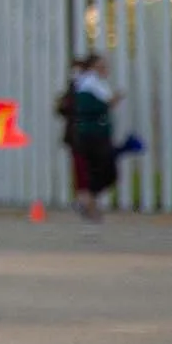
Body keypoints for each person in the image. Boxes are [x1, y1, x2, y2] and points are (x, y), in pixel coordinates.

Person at [62, 53, 122, 222]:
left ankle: (87, 202)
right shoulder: (87, 85)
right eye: (101, 66)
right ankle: (87, 203)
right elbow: (88, 109)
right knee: (97, 170)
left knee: (97, 172)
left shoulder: (95, 85)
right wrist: (108, 103)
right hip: (89, 137)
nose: (105, 70)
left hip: (95, 136)